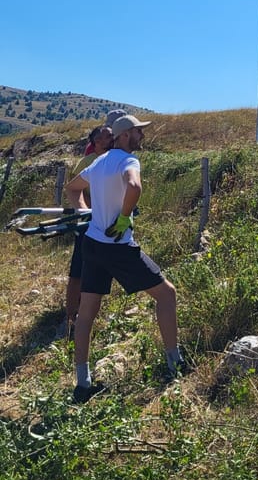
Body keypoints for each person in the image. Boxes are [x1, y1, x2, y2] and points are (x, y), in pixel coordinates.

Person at [65, 114, 185, 403]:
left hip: (92, 244)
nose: (142, 137)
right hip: (117, 246)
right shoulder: (128, 162)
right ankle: (176, 366)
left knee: (87, 312)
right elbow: (134, 188)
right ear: (126, 134)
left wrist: (86, 214)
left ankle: (83, 384)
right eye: (138, 132)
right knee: (167, 295)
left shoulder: (98, 162)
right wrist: (122, 218)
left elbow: (72, 188)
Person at [61, 124, 114, 337]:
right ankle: (70, 318)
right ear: (97, 142)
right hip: (89, 223)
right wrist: (86, 211)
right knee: (78, 270)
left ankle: (89, 313)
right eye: (108, 136)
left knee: (99, 269)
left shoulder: (116, 159)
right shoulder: (87, 163)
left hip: (108, 224)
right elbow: (76, 189)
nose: (113, 139)